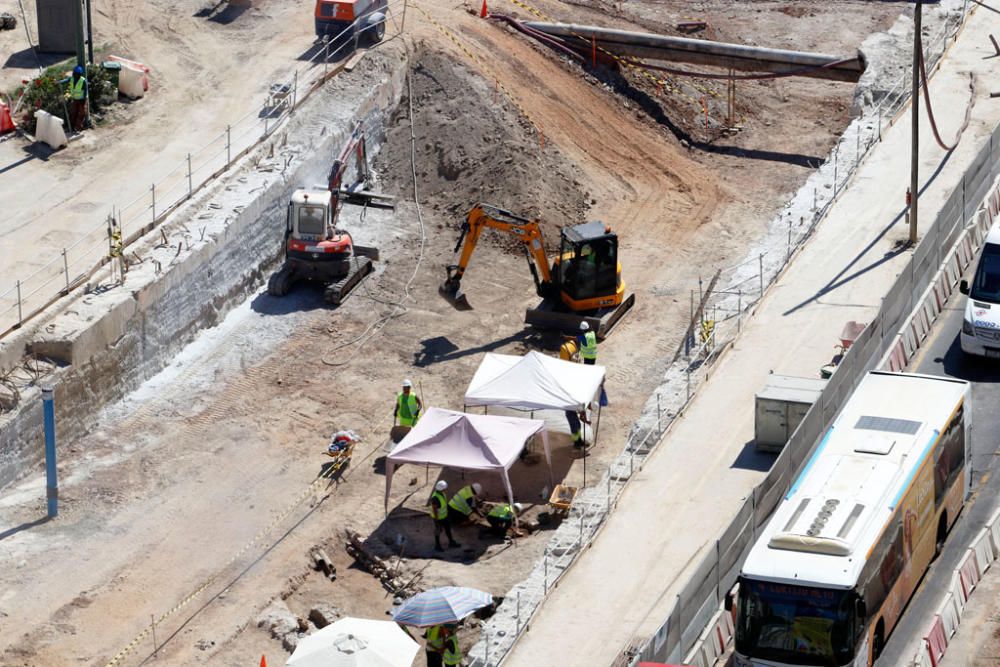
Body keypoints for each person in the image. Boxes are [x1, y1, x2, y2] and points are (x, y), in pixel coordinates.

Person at [428, 480, 460, 552]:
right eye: (445, 488)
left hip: (444, 516)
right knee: (438, 531)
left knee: (448, 529)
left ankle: (451, 542)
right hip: (438, 518)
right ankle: (437, 546)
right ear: (442, 489)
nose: (446, 489)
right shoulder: (435, 498)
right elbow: (434, 510)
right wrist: (437, 520)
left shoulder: (442, 494)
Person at [62, 65, 88, 133]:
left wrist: (84, 100)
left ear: (79, 74)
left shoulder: (83, 81)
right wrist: (59, 82)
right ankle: (72, 127)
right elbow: (66, 80)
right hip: (75, 99)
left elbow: (85, 91)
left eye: (75, 74)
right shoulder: (72, 79)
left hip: (81, 100)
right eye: (74, 73)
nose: (74, 75)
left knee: (81, 114)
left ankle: (78, 127)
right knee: (73, 113)